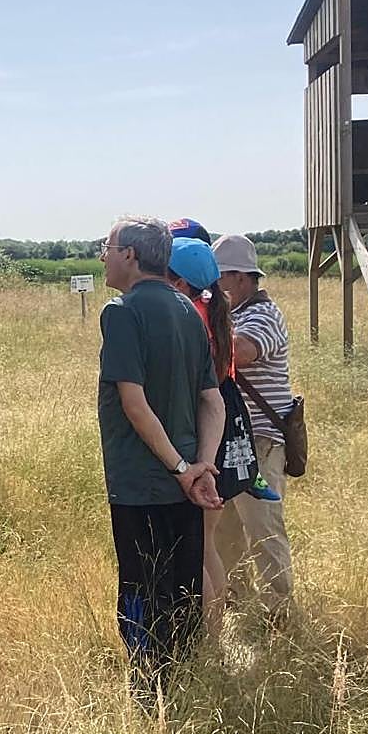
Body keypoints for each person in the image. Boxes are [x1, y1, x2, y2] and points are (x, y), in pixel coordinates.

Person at [97, 216, 224, 696]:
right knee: (183, 591)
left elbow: (134, 401)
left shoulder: (122, 312)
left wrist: (179, 468)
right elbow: (211, 399)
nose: (103, 255)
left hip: (142, 484)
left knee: (141, 591)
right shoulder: (189, 309)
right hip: (187, 485)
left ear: (130, 254)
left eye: (107, 246)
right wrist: (201, 467)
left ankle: (149, 694)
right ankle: (191, 687)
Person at [165, 237, 277, 641]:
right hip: (231, 434)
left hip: (215, 438)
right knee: (211, 541)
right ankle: (220, 628)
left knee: (202, 545)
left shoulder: (195, 318)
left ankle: (215, 637)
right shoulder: (217, 313)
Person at [212, 234, 296, 619]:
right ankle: (237, 605)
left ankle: (279, 613)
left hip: (260, 441)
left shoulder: (262, 315)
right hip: (236, 443)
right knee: (227, 531)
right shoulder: (236, 312)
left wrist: (200, 324)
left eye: (220, 279)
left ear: (241, 278)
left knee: (263, 529)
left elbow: (240, 353)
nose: (214, 288)